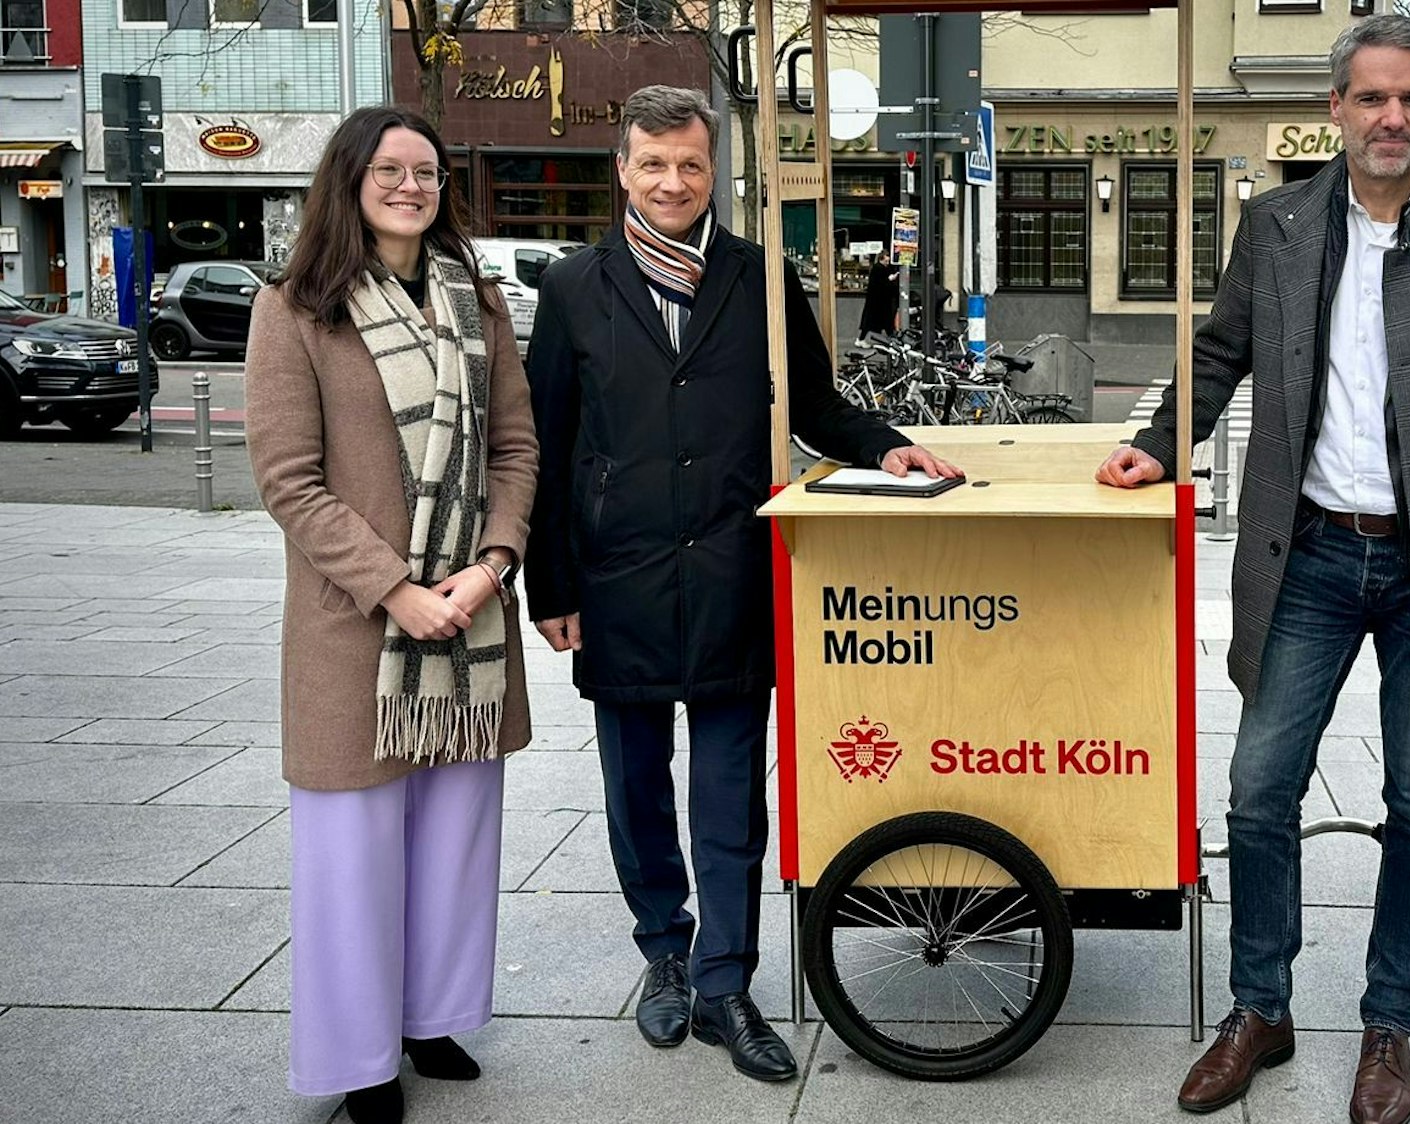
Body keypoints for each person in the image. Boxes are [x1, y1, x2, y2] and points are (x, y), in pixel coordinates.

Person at [1095, 16, 1410, 1124]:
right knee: (1258, 789)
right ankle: (1262, 1006)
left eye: (1409, 98)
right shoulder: (1279, 224)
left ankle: (1388, 1023)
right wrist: (1158, 443)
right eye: (1371, 98)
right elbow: (1218, 351)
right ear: (1336, 108)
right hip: (1305, 552)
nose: (1391, 117)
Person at [521, 85, 959, 1084]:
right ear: (622, 171)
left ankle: (726, 980)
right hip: (618, 576)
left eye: (690, 164)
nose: (672, 182)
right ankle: (664, 957)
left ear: (713, 171)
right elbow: (547, 441)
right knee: (635, 790)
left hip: (731, 574)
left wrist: (885, 447)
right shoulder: (573, 286)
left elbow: (813, 401)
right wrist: (551, 583)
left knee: (727, 795)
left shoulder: (759, 276)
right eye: (652, 164)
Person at [245, 106, 539, 1124]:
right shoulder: (296, 308)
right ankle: (360, 1054)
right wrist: (396, 588)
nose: (412, 184)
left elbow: (514, 448)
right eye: (390, 168)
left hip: (469, 623)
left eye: (428, 170)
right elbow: (290, 482)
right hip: (355, 626)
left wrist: (492, 563)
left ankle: (428, 1015)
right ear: (350, 178)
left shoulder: (480, 302)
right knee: (352, 854)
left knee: (454, 840)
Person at [856, 250, 901, 339]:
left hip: (880, 301)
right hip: (877, 301)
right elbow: (879, 284)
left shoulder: (882, 268)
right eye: (886, 261)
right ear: (881, 259)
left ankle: (890, 336)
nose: (887, 263)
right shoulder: (878, 269)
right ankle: (891, 337)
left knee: (880, 321)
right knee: (877, 321)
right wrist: (889, 279)